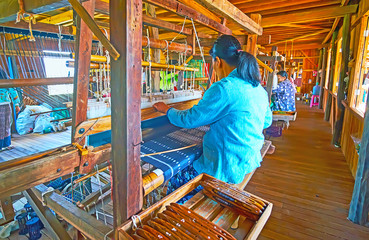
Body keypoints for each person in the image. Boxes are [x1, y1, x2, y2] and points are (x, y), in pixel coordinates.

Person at [153, 35, 272, 185]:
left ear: (218, 61)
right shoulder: (258, 89)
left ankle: (182, 205)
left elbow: (189, 119)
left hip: (225, 168)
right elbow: (266, 121)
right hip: (248, 159)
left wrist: (167, 110)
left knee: (175, 178)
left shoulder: (224, 88)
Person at [0, 68, 21, 151]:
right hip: (4, 105)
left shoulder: (5, 77)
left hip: (6, 104)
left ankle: (6, 144)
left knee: (7, 124)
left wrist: (16, 104)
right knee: (1, 126)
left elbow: (13, 90)